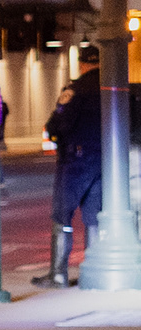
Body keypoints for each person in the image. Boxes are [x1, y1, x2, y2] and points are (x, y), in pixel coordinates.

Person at [46, 57, 105, 285]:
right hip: (105, 158)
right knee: (94, 216)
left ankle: (58, 273)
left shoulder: (77, 89)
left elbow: (57, 123)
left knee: (62, 214)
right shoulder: (114, 86)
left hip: (76, 158)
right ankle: (93, 271)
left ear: (82, 64)